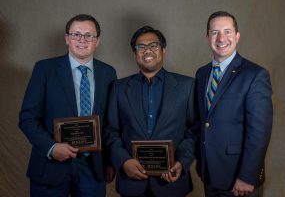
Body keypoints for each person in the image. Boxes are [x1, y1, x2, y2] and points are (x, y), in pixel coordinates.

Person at [19, 14, 116, 197]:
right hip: (51, 167)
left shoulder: (108, 73)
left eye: (89, 35)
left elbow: (110, 122)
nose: (82, 40)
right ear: (66, 38)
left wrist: (109, 160)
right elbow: (27, 118)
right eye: (76, 34)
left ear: (97, 41)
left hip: (93, 167)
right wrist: (51, 147)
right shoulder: (44, 69)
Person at [104, 26, 198, 197]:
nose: (147, 50)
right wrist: (123, 161)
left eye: (153, 45)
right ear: (135, 53)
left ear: (163, 50)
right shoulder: (119, 88)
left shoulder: (187, 86)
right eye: (141, 47)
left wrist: (181, 162)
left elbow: (194, 130)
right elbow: (111, 130)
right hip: (131, 182)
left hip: (171, 182)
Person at [195, 11, 273, 197]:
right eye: (215, 32)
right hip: (209, 174)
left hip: (239, 179)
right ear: (207, 38)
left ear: (237, 36)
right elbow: (202, 121)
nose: (221, 38)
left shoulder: (255, 75)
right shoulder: (202, 73)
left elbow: (259, 132)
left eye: (227, 31)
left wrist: (247, 176)